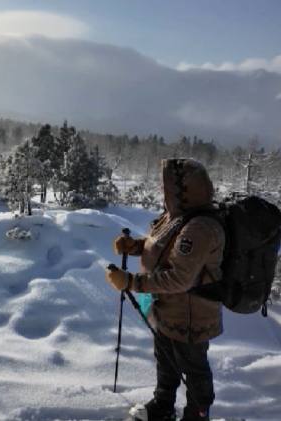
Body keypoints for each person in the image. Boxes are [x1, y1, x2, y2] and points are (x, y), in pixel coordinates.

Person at [105, 158, 225, 421]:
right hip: (168, 309)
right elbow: (163, 249)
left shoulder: (201, 228)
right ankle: (163, 405)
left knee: (193, 369)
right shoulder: (176, 217)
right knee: (166, 360)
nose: (163, 190)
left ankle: (197, 415)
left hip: (191, 315)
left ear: (184, 189)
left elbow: (180, 278)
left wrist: (132, 282)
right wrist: (134, 246)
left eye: (168, 186)